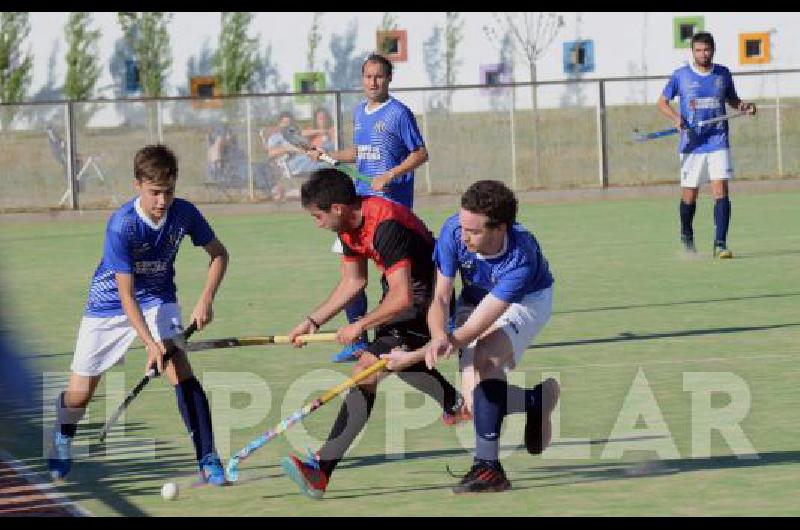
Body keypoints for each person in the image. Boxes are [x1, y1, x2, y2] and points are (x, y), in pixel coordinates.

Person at [46, 144, 230, 485]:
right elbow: (125, 294)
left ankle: (208, 457)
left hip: (158, 298)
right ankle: (63, 429)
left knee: (178, 366)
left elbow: (219, 254)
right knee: (79, 395)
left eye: (169, 192)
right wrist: (149, 344)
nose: (162, 201)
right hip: (109, 303)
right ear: (138, 186)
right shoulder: (122, 225)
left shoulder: (185, 213)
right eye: (155, 193)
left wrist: (206, 298)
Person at [279, 168, 465, 499]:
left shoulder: (385, 225)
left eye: (317, 216)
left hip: (427, 297)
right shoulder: (349, 227)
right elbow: (354, 281)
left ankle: (322, 470)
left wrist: (360, 325)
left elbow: (404, 296)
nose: (316, 223)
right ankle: (457, 402)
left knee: (367, 367)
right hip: (401, 292)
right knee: (393, 361)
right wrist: (314, 321)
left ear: (337, 208)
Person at [383, 180, 560, 494]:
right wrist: (438, 333)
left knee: (486, 357)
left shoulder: (519, 259)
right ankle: (535, 401)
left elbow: (468, 333)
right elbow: (440, 297)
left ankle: (489, 468)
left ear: (500, 229)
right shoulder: (455, 230)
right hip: (475, 297)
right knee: (475, 401)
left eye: (474, 232)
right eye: (463, 227)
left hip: (526, 301)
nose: (464, 237)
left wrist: (410, 357)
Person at [306, 53, 429, 363]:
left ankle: (419, 326)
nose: (373, 82)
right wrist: (328, 154)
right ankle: (357, 337)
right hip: (356, 206)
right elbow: (360, 152)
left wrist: (389, 175)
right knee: (351, 272)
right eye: (368, 76)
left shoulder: (399, 114)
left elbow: (420, 153)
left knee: (398, 277)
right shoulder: (360, 112)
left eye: (379, 76)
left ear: (389, 79)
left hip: (389, 208)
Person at [657, 31, 756, 259]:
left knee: (720, 190)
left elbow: (733, 100)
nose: (703, 54)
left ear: (713, 50)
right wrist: (676, 119)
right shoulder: (681, 76)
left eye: (707, 50)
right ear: (693, 52)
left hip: (718, 140)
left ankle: (720, 244)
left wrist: (744, 107)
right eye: (699, 50)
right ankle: (686, 234)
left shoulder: (723, 74)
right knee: (690, 196)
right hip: (692, 144)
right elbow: (662, 102)